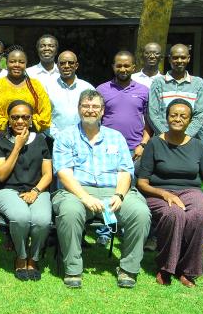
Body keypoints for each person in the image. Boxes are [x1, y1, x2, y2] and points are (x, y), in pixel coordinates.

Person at [52, 89, 151, 289]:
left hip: (114, 190)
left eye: (95, 106)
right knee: (69, 212)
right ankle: (73, 268)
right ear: (78, 109)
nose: (90, 110)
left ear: (103, 111)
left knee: (140, 213)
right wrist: (85, 197)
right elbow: (63, 173)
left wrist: (120, 194)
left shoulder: (116, 137)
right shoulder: (65, 136)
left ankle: (128, 269)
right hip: (76, 191)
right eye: (86, 106)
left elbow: (125, 171)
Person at [136, 99, 203, 287]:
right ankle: (165, 267)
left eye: (183, 116)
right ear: (166, 118)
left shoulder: (197, 146)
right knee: (174, 214)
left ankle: (187, 269)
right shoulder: (155, 143)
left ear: (189, 120)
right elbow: (142, 183)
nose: (178, 119)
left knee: (201, 214)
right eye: (173, 115)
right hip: (159, 192)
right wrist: (165, 195)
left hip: (191, 191)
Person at [94, 50, 151, 247]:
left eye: (127, 65)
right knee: (107, 187)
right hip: (107, 149)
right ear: (113, 67)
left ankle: (128, 227)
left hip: (134, 149)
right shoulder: (102, 89)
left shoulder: (143, 90)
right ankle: (105, 230)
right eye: (119, 65)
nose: (123, 69)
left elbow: (149, 122)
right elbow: (95, 119)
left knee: (130, 189)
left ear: (134, 67)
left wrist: (143, 144)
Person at [0, 100, 52, 281]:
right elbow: (1, 175)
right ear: (9, 120)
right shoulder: (1, 141)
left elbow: (48, 174)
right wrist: (17, 146)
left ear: (31, 120)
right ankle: (21, 256)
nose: (20, 121)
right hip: (7, 191)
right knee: (21, 217)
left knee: (42, 220)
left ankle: (34, 258)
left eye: (25, 117)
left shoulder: (41, 140)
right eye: (15, 117)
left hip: (36, 190)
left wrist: (35, 191)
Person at [0, 47, 51, 139]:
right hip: (4, 138)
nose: (17, 65)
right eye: (12, 61)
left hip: (31, 137)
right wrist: (12, 128)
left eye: (21, 62)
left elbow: (45, 113)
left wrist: (26, 126)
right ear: (6, 63)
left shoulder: (35, 86)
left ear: (26, 64)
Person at [148, 44, 203, 147]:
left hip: (188, 143)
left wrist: (184, 137)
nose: (179, 61)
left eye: (183, 57)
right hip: (163, 142)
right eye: (175, 58)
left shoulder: (198, 83)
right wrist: (168, 136)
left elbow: (200, 115)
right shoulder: (158, 83)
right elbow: (153, 114)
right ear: (169, 59)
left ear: (188, 59)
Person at [46, 50, 93, 138]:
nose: (67, 66)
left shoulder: (87, 88)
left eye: (70, 63)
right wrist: (59, 137)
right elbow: (44, 115)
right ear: (57, 66)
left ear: (76, 66)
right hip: (55, 139)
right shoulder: (47, 88)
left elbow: (95, 114)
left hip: (83, 139)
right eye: (62, 63)